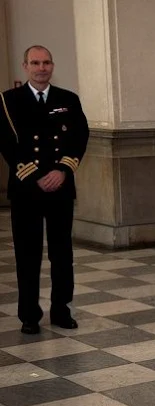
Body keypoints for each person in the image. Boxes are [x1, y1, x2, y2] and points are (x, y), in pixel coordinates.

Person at [0, 45, 89, 335]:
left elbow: (79, 137)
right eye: (35, 62)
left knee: (62, 253)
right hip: (26, 189)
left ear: (53, 65)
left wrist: (63, 170)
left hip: (60, 187)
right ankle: (29, 315)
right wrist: (36, 175)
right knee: (28, 254)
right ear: (24, 66)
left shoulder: (68, 99)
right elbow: (7, 144)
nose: (42, 67)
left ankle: (62, 310)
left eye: (46, 62)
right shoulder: (8, 101)